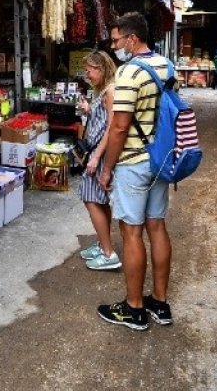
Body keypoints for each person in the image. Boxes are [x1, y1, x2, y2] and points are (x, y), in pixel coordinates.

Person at [96, 12, 174, 331]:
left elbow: (118, 128)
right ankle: (159, 302)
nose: (114, 46)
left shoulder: (128, 73)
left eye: (116, 40)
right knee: (157, 226)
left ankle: (134, 308)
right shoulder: (166, 66)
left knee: (131, 231)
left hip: (134, 162)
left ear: (132, 39)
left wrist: (107, 168)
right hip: (161, 159)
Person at [76, 51, 119, 271]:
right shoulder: (103, 90)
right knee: (99, 201)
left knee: (90, 199)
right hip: (98, 153)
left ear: (102, 69)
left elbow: (112, 128)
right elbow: (103, 119)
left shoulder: (110, 90)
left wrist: (96, 157)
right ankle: (104, 244)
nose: (88, 74)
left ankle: (108, 253)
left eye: (90, 70)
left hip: (100, 155)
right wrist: (89, 110)